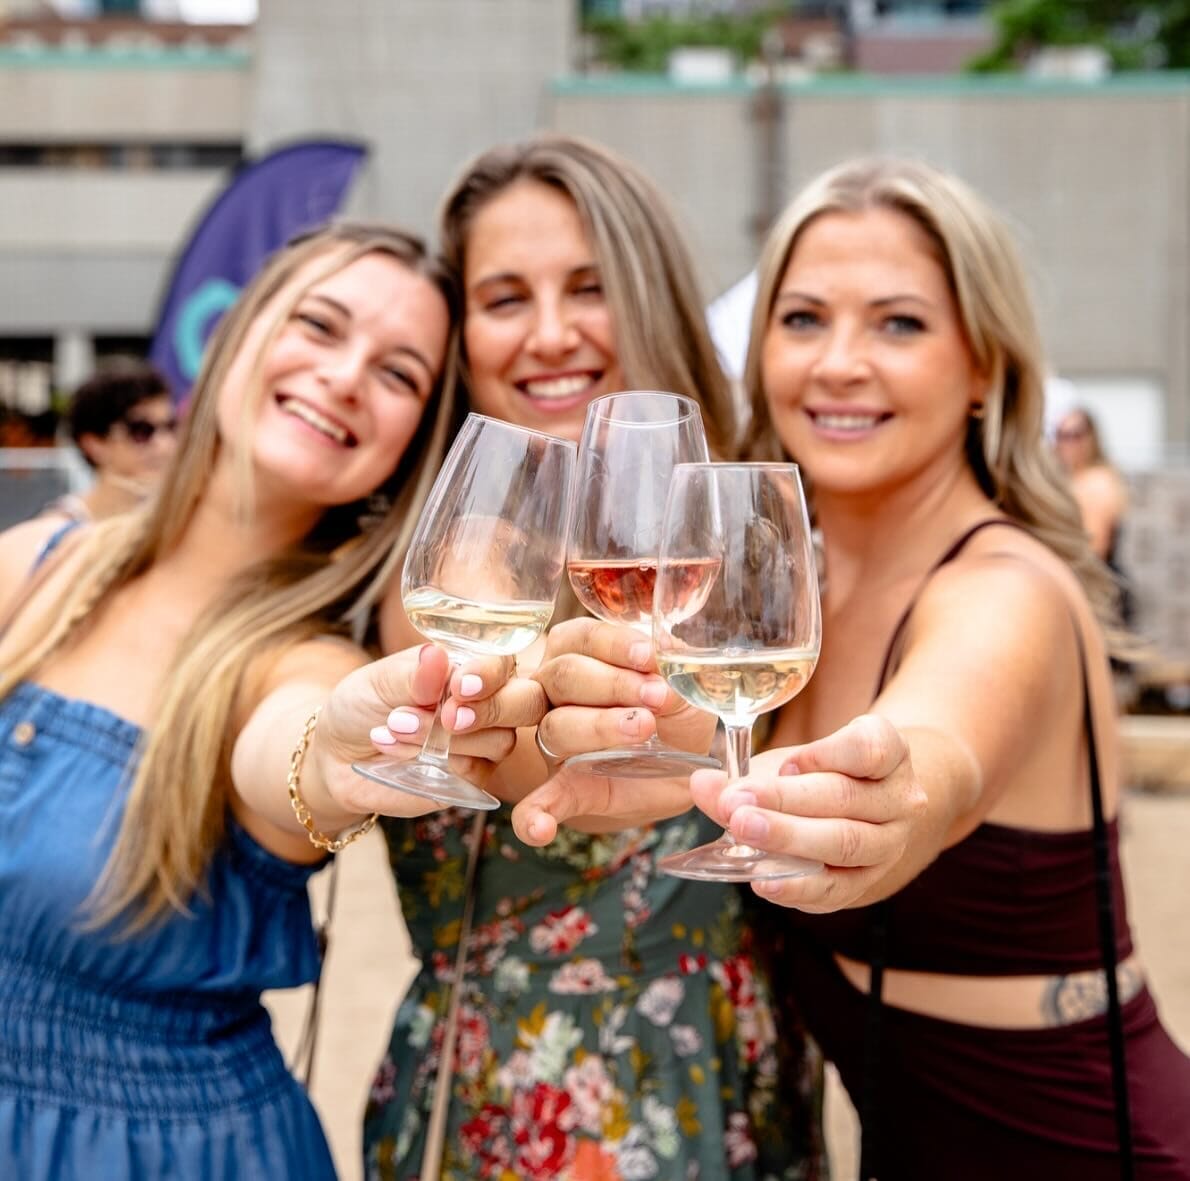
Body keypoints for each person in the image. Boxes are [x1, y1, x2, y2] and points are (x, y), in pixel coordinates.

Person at [514, 158, 1190, 1178]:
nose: (836, 362)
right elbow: (674, 750)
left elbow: (936, 749)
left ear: (982, 367)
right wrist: (601, 732)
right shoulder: (783, 609)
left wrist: (895, 800)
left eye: (897, 323)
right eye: (801, 319)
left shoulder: (1005, 586)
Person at [0, 222, 545, 1181]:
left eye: (397, 374)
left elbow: (304, 751)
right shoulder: (37, 566)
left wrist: (342, 748)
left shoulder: (302, 661)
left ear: (413, 440)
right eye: (320, 326)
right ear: (239, 332)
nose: (342, 376)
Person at [363, 134, 825, 1181]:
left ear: (649, 292)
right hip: (513, 1093)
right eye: (504, 297)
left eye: (588, 286)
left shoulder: (747, 532)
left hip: (730, 1067)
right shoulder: (430, 557)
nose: (550, 332)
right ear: (460, 331)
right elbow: (494, 746)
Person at [45, 359, 179, 524]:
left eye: (171, 427)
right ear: (94, 444)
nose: (164, 445)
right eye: (142, 431)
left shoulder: (180, 522)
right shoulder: (60, 531)